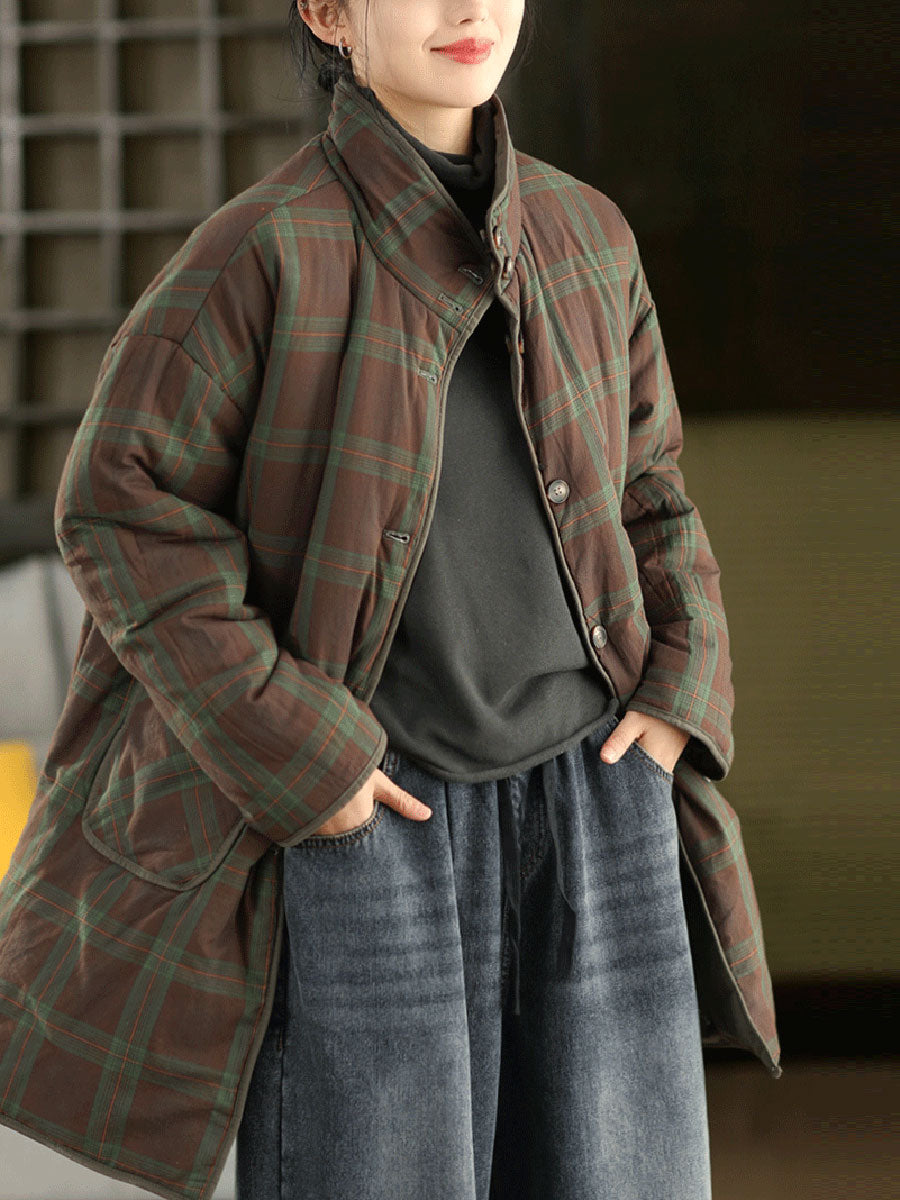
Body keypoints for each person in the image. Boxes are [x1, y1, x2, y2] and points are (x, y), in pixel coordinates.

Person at [234, 2, 726, 1198]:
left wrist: (680, 690)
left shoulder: (588, 233)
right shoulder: (264, 250)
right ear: (329, 12)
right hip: (377, 816)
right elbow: (122, 510)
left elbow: (651, 487)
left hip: (601, 793)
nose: (469, 8)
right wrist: (302, 754)